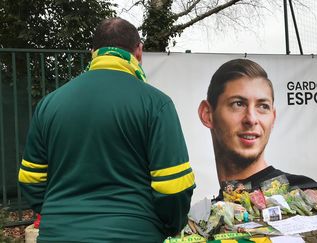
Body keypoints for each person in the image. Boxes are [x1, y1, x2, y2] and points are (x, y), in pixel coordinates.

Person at [18, 17, 195, 242]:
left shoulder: (49, 104)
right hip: (135, 234)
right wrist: (169, 226)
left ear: (93, 52)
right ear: (138, 51)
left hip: (59, 233)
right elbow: (173, 187)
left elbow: (31, 179)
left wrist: (61, 215)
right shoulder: (156, 104)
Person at [198, 59, 317, 198]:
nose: (251, 119)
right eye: (238, 104)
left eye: (263, 106)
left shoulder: (302, 193)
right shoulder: (213, 212)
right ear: (207, 114)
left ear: (273, 118)